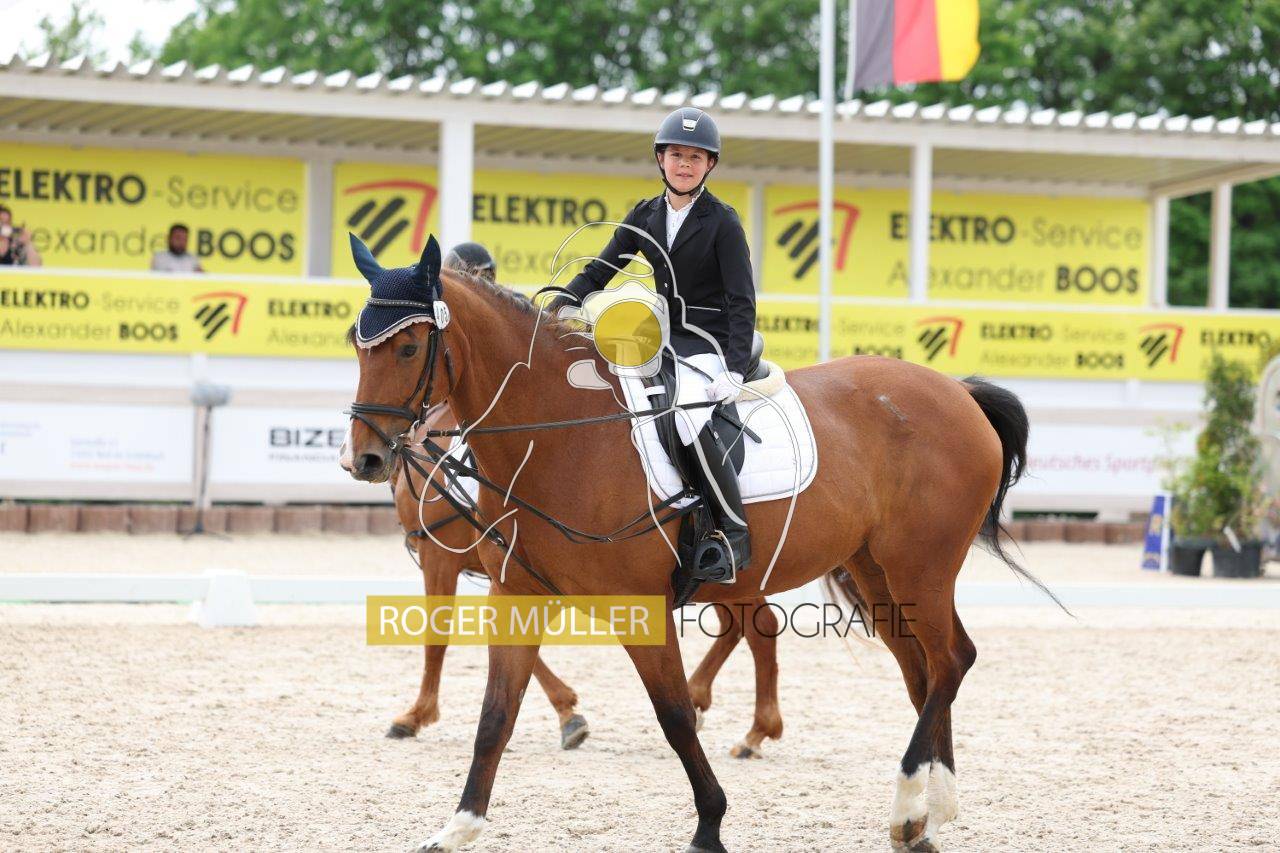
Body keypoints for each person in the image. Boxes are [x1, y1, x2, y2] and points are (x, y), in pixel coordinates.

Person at [551, 107, 756, 583]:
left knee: (687, 417)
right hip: (662, 341)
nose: (685, 164)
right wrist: (558, 303)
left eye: (696, 157)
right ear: (661, 159)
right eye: (677, 155)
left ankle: (732, 532)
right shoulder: (645, 215)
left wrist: (734, 368)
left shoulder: (722, 222)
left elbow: (741, 300)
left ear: (709, 165)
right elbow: (601, 270)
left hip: (709, 343)